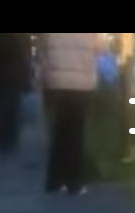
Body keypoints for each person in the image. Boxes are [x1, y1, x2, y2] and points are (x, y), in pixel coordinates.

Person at [37, 33, 99, 194]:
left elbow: (42, 49)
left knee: (59, 131)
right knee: (76, 132)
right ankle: (74, 182)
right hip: (82, 84)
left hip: (56, 82)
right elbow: (98, 48)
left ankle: (54, 181)